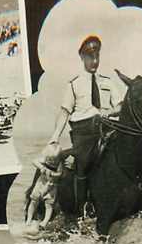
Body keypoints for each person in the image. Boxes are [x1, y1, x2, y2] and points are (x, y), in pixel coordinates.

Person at [47, 35, 124, 215]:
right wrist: (55, 136)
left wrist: (110, 112)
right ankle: (82, 208)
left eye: (97, 56)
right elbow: (65, 111)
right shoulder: (74, 85)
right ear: (82, 57)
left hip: (107, 129)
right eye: (90, 57)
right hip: (83, 133)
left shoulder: (108, 82)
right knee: (83, 162)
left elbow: (120, 105)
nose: (95, 61)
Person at [25, 143, 68, 228]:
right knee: (34, 200)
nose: (52, 162)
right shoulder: (45, 160)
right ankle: (29, 219)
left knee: (49, 204)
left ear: (58, 158)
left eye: (54, 160)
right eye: (49, 159)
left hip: (52, 185)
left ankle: (45, 221)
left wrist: (52, 173)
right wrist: (42, 167)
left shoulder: (58, 164)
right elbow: (34, 161)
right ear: (46, 157)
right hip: (41, 183)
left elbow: (60, 173)